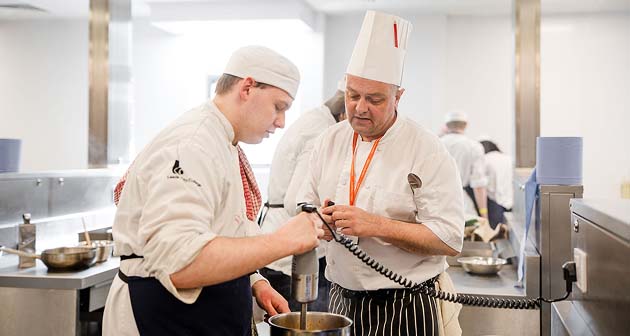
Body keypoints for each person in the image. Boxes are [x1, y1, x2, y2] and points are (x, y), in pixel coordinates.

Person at [102, 45, 324, 336]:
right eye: (279, 107)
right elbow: (179, 263)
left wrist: (254, 280)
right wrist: (283, 242)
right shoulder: (194, 144)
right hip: (163, 315)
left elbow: (219, 229)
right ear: (247, 88)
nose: (281, 122)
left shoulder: (224, 141)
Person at [298, 11, 464, 335]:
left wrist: (376, 225)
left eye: (374, 99)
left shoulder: (427, 149)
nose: (360, 107)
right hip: (340, 298)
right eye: (352, 95)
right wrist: (320, 224)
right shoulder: (328, 140)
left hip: (407, 303)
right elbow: (305, 206)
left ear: (398, 97)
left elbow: (450, 237)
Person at [257, 81, 346, 312]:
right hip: (295, 262)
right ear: (345, 111)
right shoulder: (322, 132)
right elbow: (297, 202)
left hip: (282, 252)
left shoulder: (314, 120)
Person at [440, 112, 489, 219]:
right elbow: (479, 185)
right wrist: (484, 215)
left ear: (447, 125)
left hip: (438, 204)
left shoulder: (436, 143)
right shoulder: (474, 147)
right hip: (462, 205)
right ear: (465, 125)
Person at [480, 140, 513, 229]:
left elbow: (480, 184)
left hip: (494, 201)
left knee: (496, 232)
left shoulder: (484, 159)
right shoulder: (508, 158)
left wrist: (484, 215)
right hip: (512, 200)